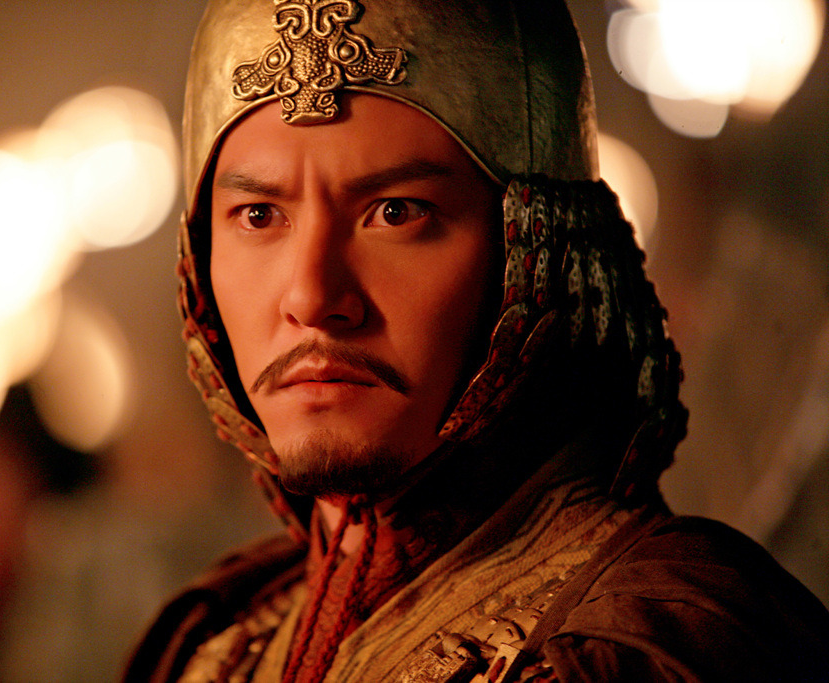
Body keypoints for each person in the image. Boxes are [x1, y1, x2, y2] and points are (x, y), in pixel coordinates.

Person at [126, 0, 829, 680]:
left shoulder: (652, 643)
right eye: (258, 215)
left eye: (396, 212)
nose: (311, 298)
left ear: (535, 247)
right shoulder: (217, 646)